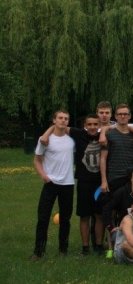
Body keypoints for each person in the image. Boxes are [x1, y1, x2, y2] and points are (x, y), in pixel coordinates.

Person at [39, 113, 104, 255]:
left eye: (95, 124)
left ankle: (99, 246)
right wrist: (45, 135)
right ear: (85, 125)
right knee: (84, 216)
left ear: (99, 125)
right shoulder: (79, 134)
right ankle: (85, 248)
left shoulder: (104, 136)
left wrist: (104, 130)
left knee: (99, 215)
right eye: (89, 124)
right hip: (83, 181)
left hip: (100, 183)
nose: (92, 127)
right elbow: (60, 126)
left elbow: (124, 126)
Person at [30, 110, 76, 261]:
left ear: (68, 122)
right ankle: (38, 252)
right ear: (54, 120)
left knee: (65, 219)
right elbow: (37, 160)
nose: (63, 120)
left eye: (65, 119)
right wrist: (44, 176)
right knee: (43, 218)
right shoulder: (45, 140)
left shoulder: (71, 140)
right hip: (50, 183)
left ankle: (63, 250)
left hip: (68, 184)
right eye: (60, 118)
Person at [100, 104, 133, 194]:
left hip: (129, 178)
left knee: (128, 207)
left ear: (129, 116)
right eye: (120, 114)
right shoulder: (109, 135)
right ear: (115, 116)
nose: (123, 116)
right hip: (113, 178)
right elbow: (103, 159)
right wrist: (104, 180)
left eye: (125, 114)